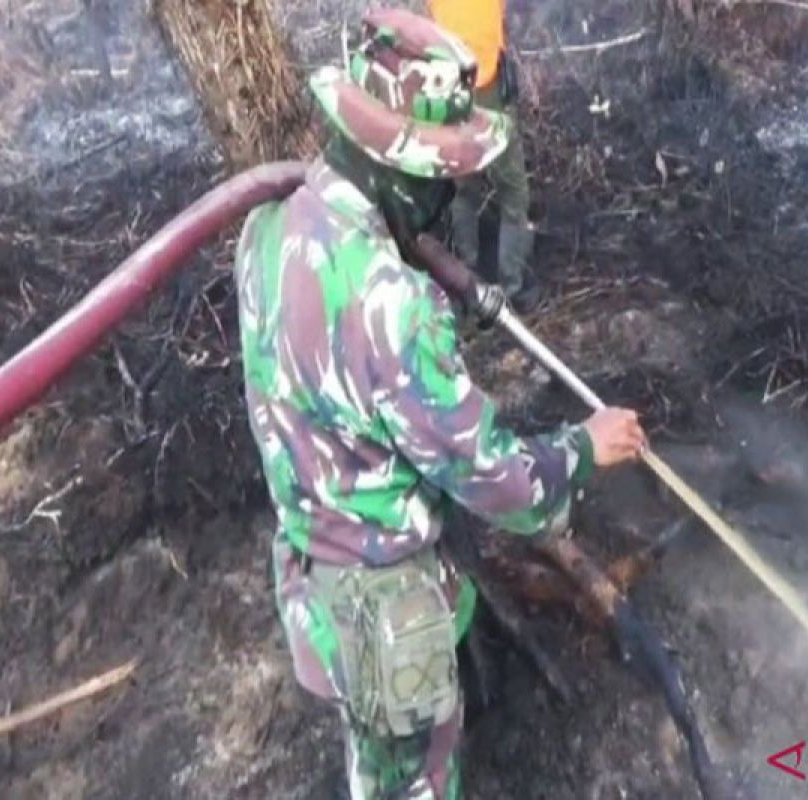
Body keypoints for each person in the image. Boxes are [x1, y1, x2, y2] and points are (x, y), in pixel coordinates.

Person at [233, 9, 646, 799]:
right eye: (439, 174)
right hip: (388, 618)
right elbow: (499, 482)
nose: (447, 191)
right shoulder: (393, 305)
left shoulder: (267, 227)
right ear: (398, 168)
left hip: (312, 576)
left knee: (369, 764)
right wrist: (585, 448)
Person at [427, 0, 540, 311]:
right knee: (513, 190)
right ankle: (512, 287)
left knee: (463, 186)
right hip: (484, 83)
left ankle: (466, 278)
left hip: (447, 85)